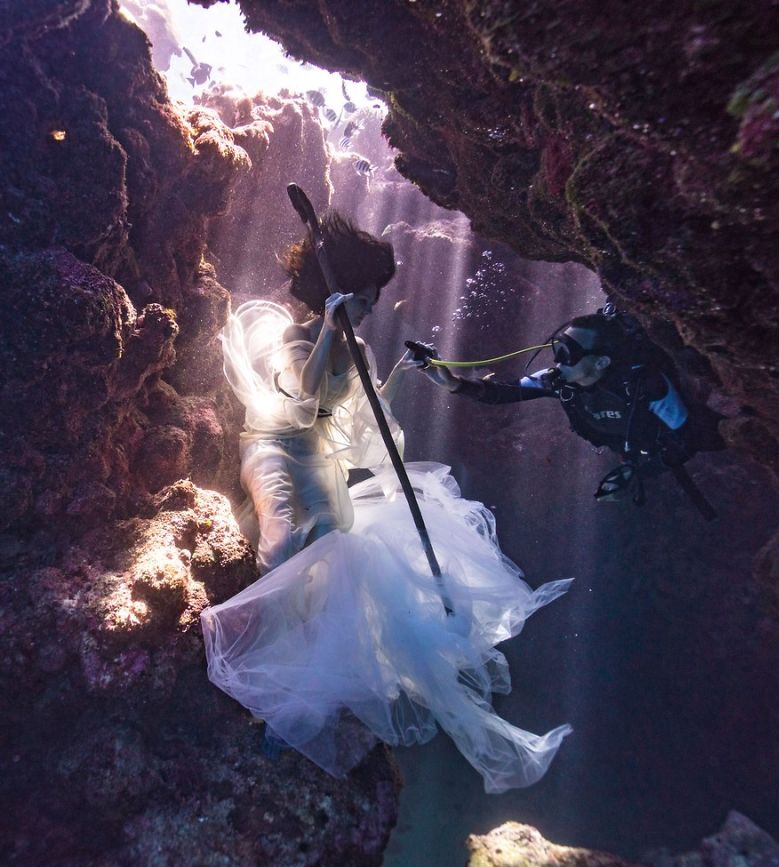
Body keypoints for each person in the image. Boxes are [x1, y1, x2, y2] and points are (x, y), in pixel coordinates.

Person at [201, 212, 572, 794]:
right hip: (276, 450)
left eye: (374, 303)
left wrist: (403, 371)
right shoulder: (293, 337)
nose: (371, 311)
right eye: (367, 300)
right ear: (339, 292)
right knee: (286, 548)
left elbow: (364, 418)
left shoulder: (353, 344)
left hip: (318, 458)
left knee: (326, 562)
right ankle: (268, 685)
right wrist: (329, 328)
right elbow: (304, 399)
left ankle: (302, 694)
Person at [413, 308, 725, 508]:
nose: (557, 362)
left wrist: (638, 472)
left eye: (569, 354)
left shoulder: (644, 384)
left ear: (601, 361)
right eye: (557, 350)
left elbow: (688, 439)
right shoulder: (561, 381)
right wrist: (452, 383)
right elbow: (504, 392)